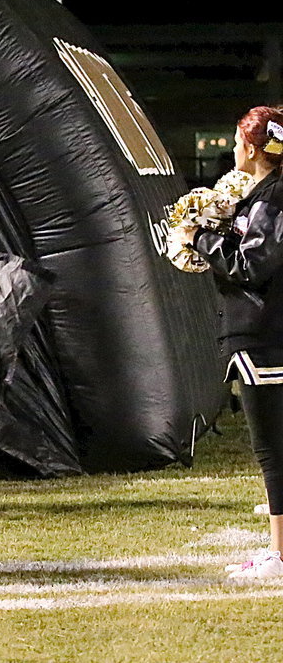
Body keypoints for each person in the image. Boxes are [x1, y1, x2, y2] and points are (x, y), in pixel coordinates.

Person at [181, 106, 283, 579]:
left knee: (271, 448)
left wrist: (201, 238)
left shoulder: (274, 199)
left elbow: (251, 266)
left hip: (264, 333)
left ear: (255, 148)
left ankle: (279, 556)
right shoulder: (261, 197)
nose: (234, 149)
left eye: (240, 141)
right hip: (264, 330)